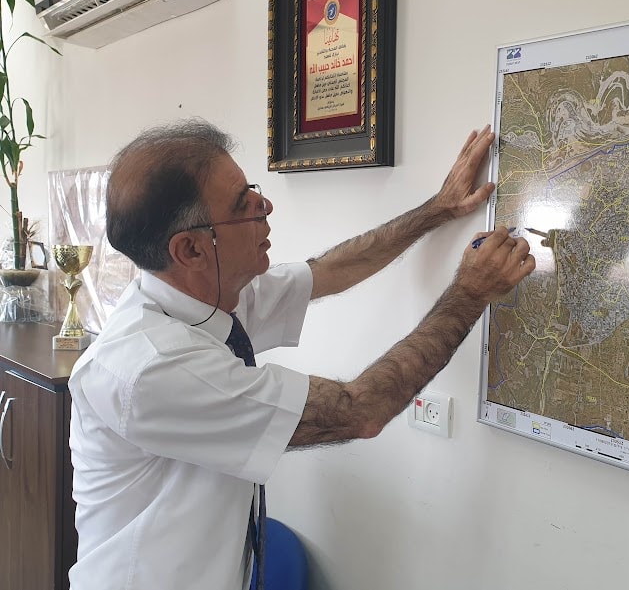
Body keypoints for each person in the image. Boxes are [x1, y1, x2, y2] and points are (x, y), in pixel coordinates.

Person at [67, 119, 535, 590]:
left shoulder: (206, 297)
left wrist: (437, 209)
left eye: (252, 191)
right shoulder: (153, 369)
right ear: (190, 249)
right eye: (242, 205)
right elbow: (359, 411)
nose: (265, 207)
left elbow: (330, 269)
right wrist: (470, 293)